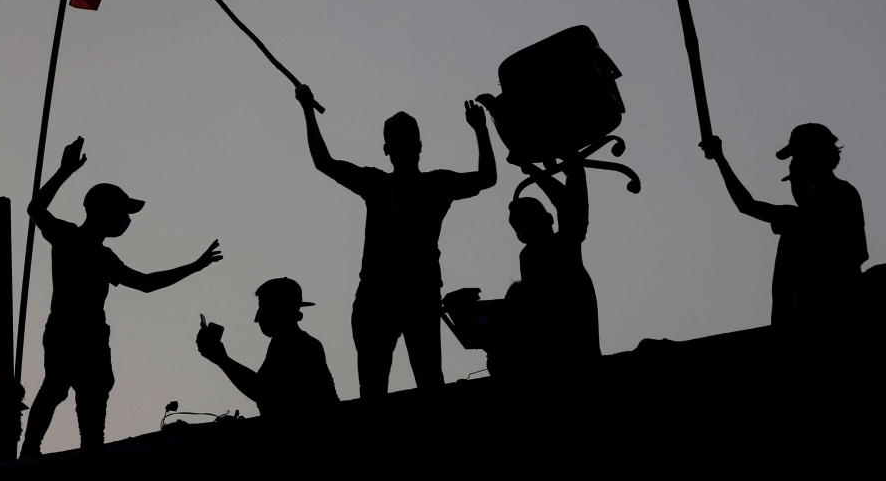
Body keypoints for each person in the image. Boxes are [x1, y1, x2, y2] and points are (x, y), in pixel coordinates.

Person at [20, 137, 223, 458]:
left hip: (93, 337)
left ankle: (90, 456)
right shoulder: (69, 236)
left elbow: (145, 283)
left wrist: (195, 267)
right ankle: (30, 450)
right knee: (56, 387)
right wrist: (64, 171)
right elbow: (35, 208)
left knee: (92, 400)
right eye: (120, 211)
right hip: (65, 330)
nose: (124, 219)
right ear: (103, 211)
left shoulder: (105, 257)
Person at [295, 85, 497, 397]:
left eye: (407, 136)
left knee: (428, 377)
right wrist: (307, 110)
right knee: (374, 386)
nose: (402, 143)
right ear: (387, 148)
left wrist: (481, 129)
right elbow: (324, 162)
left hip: (417, 293)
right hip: (376, 295)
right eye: (396, 137)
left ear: (418, 145)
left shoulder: (435, 184)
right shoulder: (375, 182)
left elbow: (487, 177)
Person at [700, 124, 868, 325]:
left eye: (796, 160)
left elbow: (852, 255)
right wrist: (720, 158)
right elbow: (747, 205)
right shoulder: (796, 215)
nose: (794, 167)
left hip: (829, 315)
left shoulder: (840, 195)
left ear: (812, 155)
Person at [490, 155, 600, 375]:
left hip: (576, 353)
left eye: (531, 220)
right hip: (550, 354)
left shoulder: (564, 244)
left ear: (548, 219)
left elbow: (568, 203)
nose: (528, 229)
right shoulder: (529, 257)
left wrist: (533, 169)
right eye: (521, 226)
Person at [196, 277, 338, 414]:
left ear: (283, 311)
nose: (258, 318)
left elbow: (264, 391)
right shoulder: (281, 344)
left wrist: (222, 359)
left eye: (265, 308)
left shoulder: (302, 346)